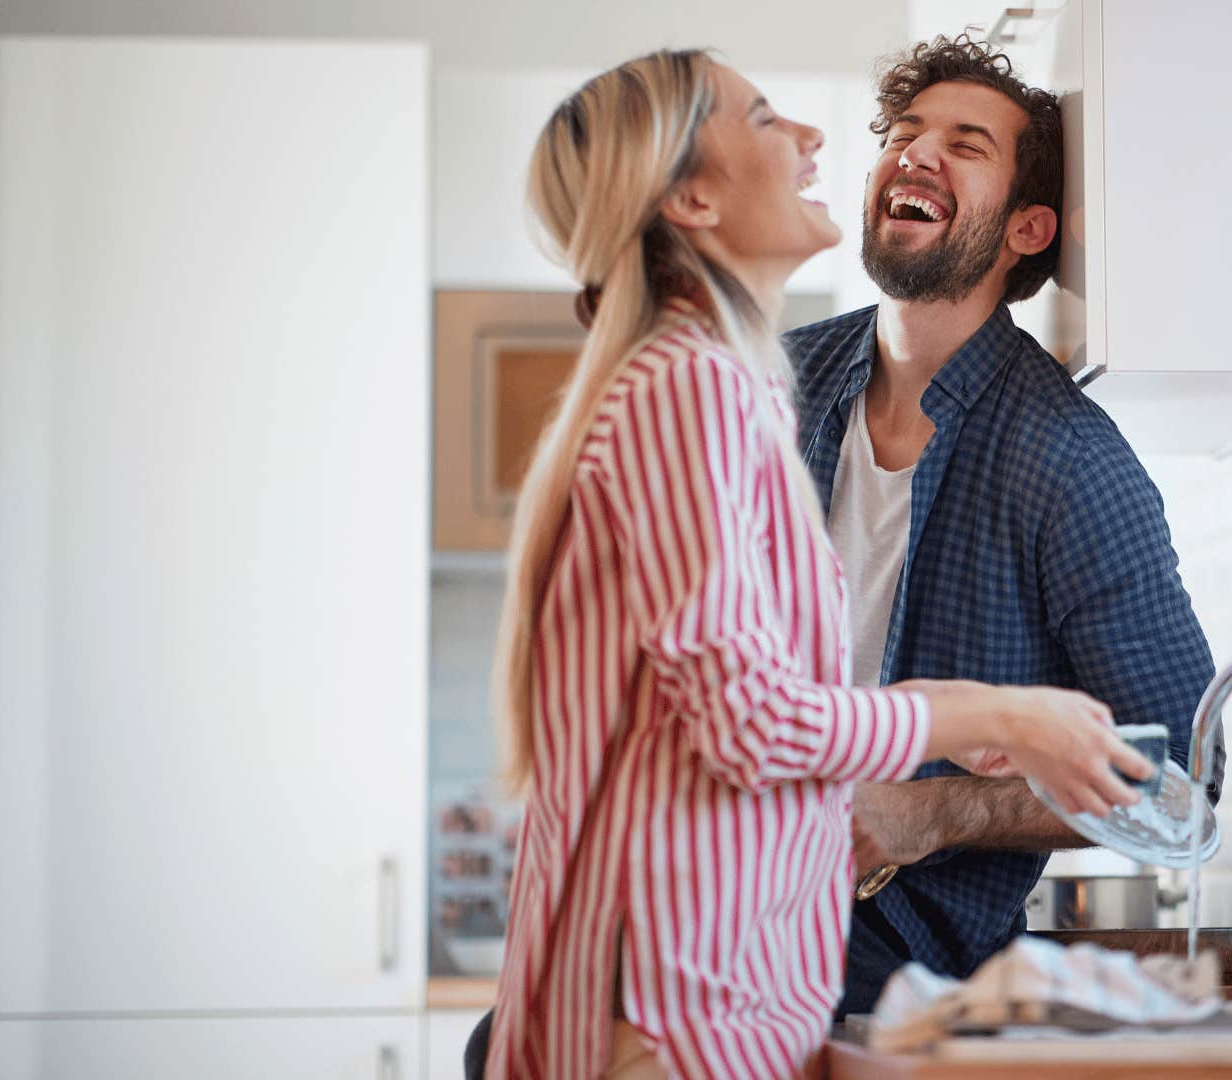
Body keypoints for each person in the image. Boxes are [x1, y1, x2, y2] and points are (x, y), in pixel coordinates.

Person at [478, 49, 1153, 1080]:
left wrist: (943, 792)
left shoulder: (715, 383)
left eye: (962, 143)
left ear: (1028, 230)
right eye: (763, 120)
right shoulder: (696, 392)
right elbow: (752, 723)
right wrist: (996, 716)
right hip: (676, 1013)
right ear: (694, 196)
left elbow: (722, 723)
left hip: (710, 1004)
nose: (818, 139)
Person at [782, 35, 1222, 1019]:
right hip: (714, 894)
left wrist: (931, 812)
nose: (916, 152)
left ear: (1029, 228)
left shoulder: (1067, 459)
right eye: (904, 132)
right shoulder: (771, 387)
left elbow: (1181, 781)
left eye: (964, 142)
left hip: (891, 956)